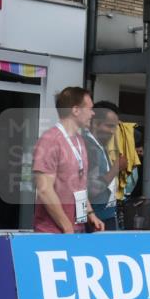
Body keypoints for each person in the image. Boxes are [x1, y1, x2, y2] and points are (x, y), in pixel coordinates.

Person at [32, 87, 105, 234]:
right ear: (76, 110)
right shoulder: (50, 140)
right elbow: (45, 189)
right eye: (90, 108)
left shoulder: (79, 141)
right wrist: (66, 226)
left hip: (76, 229)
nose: (93, 113)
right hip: (53, 232)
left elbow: (80, 186)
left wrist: (90, 214)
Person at [83, 101, 126, 231]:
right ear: (96, 124)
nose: (113, 132)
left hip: (105, 214)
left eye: (115, 127)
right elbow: (91, 189)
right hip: (96, 218)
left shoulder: (100, 145)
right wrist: (116, 168)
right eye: (109, 126)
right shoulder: (88, 146)